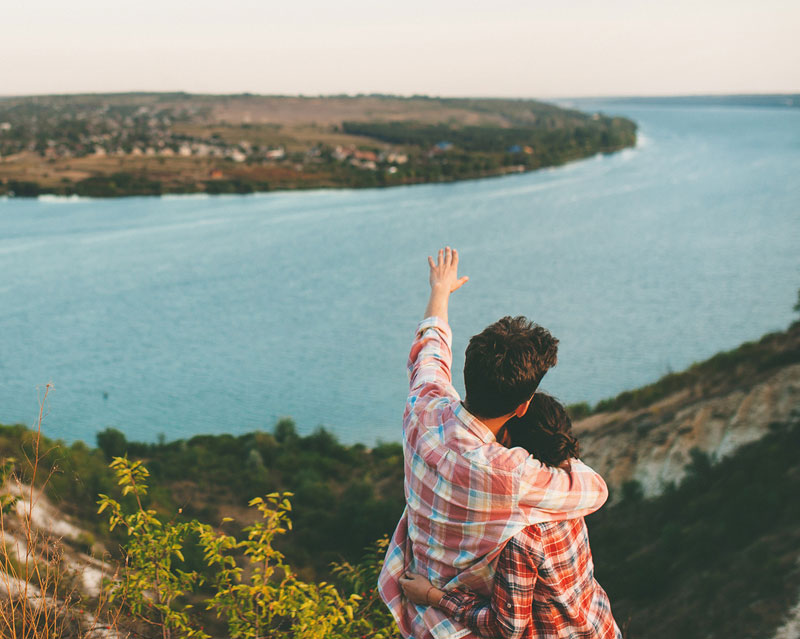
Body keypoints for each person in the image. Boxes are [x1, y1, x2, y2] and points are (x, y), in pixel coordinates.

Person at [378, 247, 610, 639]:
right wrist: (559, 449)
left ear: (467, 372)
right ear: (522, 407)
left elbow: (430, 347)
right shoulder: (512, 472)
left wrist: (440, 290)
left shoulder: (423, 406)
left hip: (417, 611)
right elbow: (595, 491)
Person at [399, 393, 622, 639]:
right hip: (601, 627)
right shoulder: (568, 495)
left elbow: (506, 627)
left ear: (507, 440)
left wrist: (432, 595)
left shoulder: (522, 536)